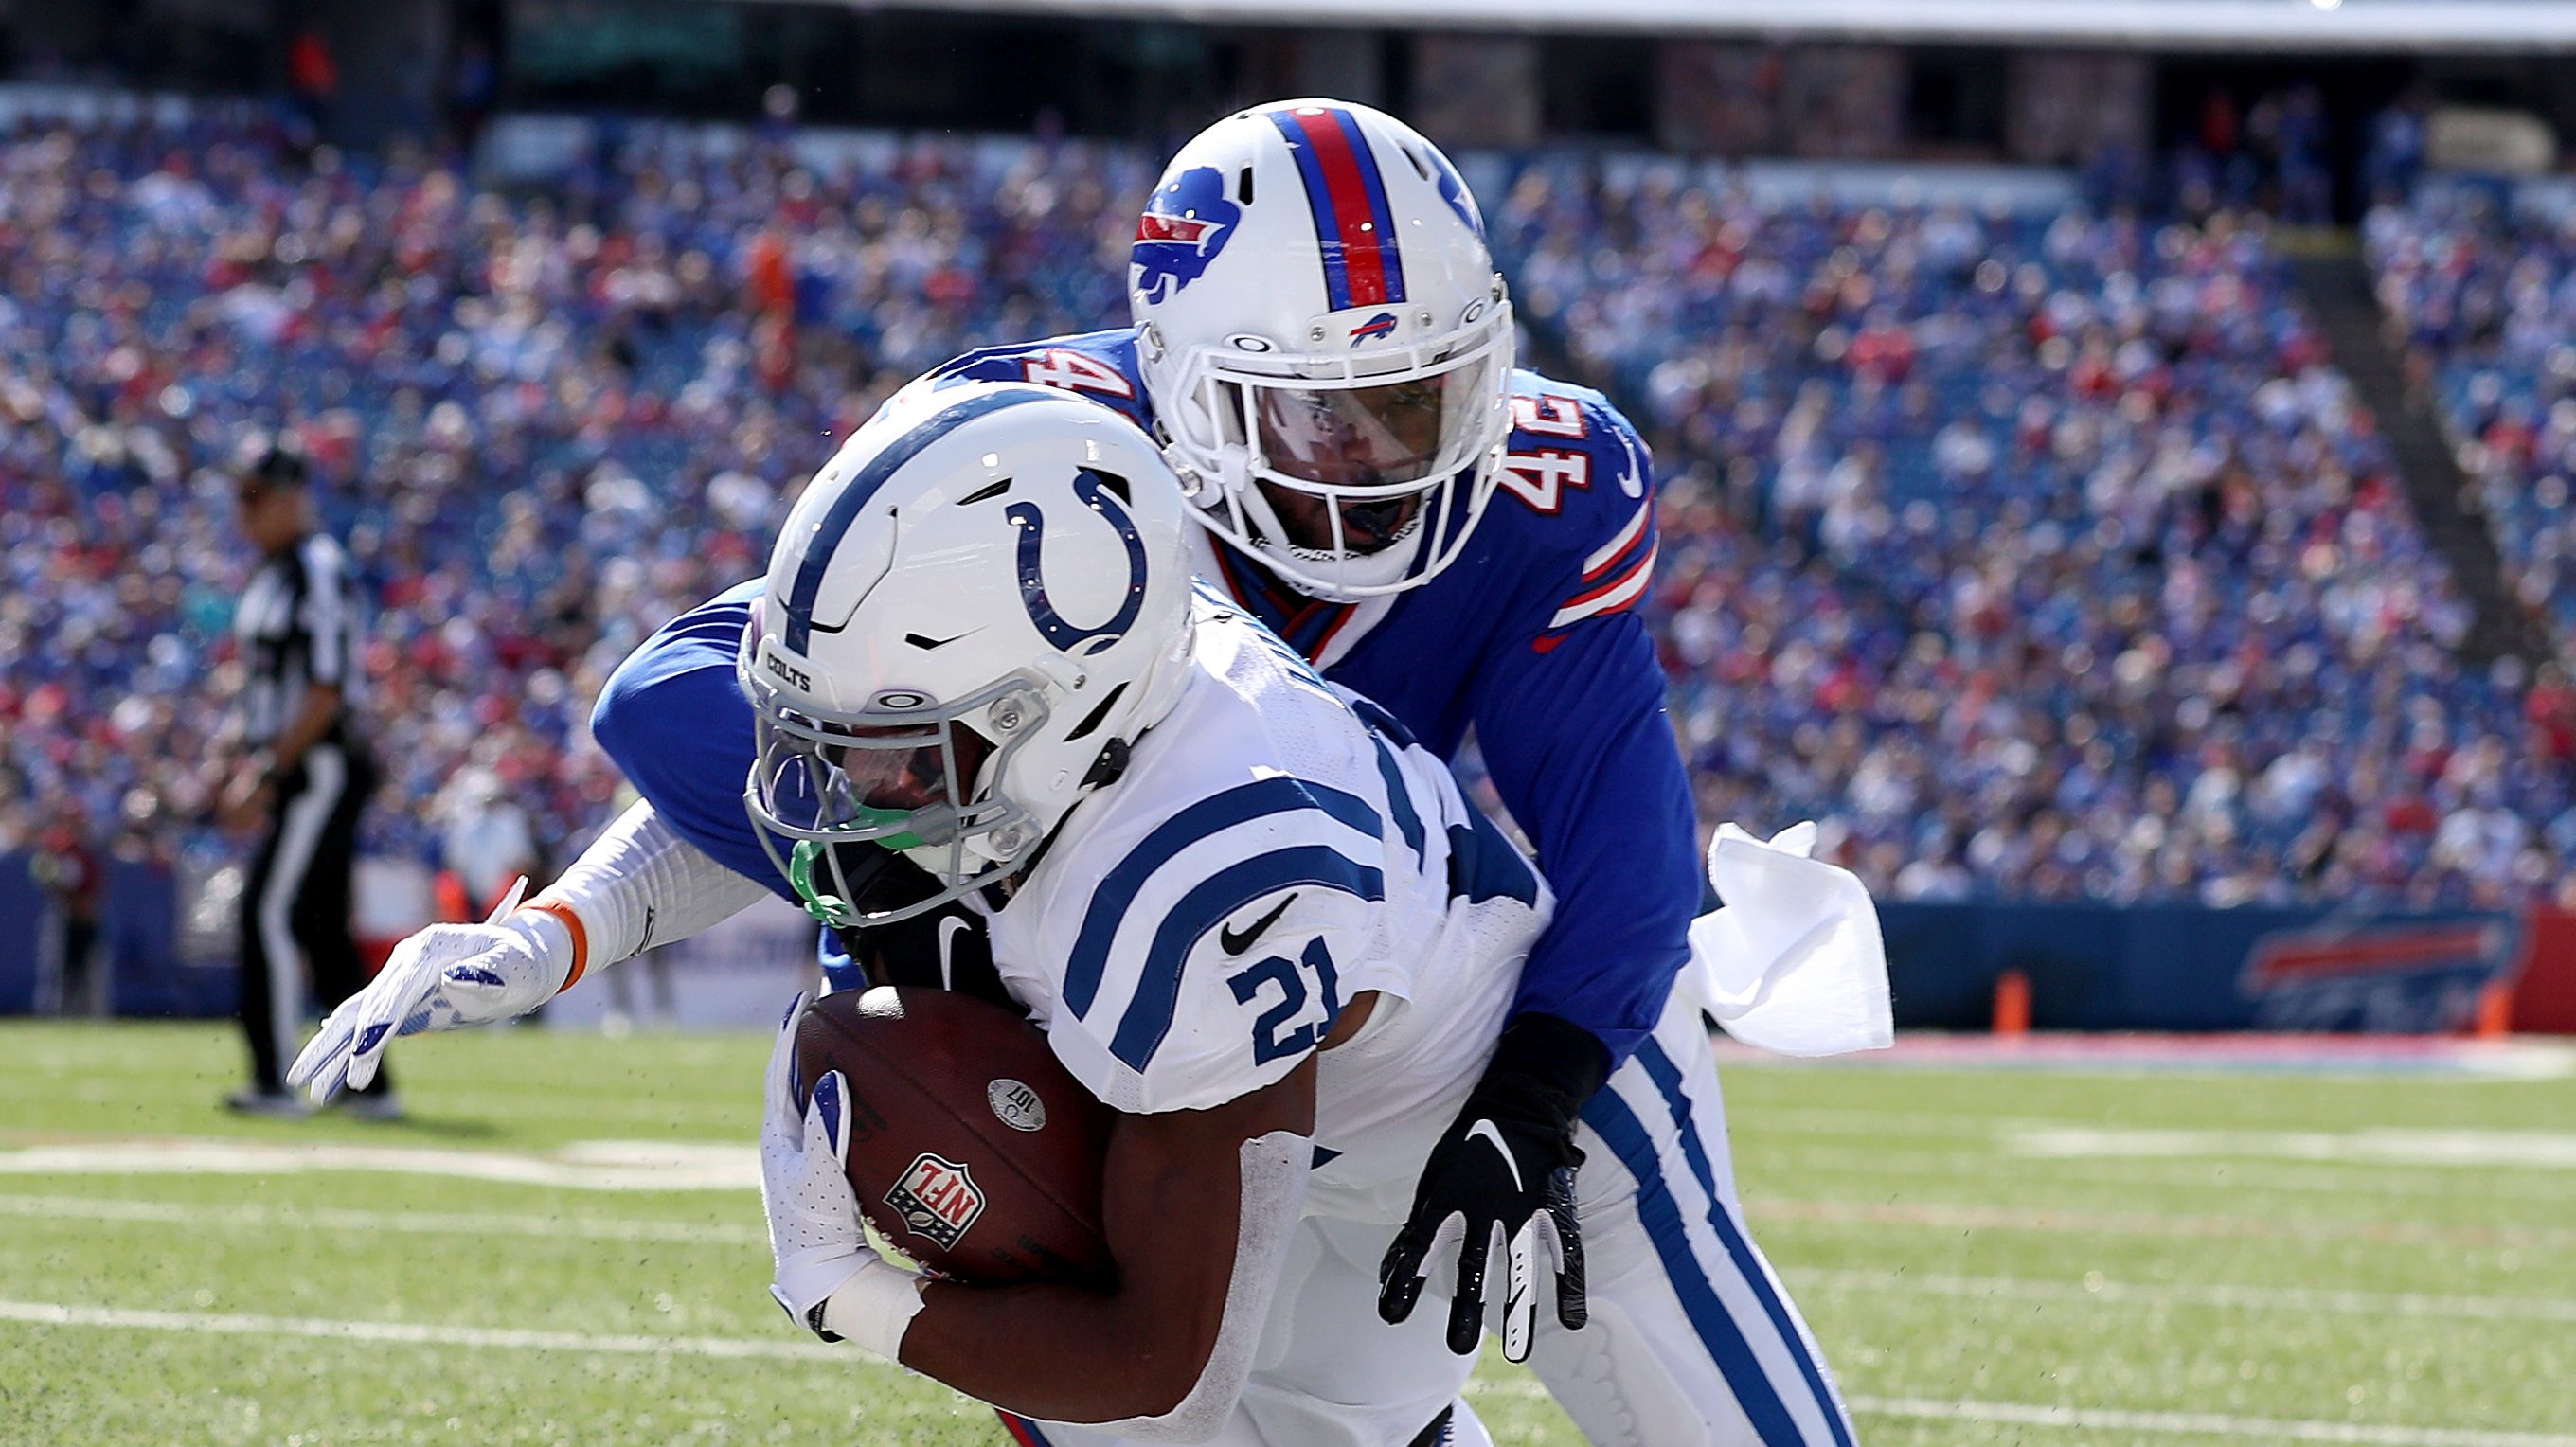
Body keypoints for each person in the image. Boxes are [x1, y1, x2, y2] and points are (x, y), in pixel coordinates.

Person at [294, 384, 1853, 1443]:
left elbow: (1155, 1364)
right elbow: (766, 785)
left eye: (894, 749)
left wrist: (848, 1295)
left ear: (1052, 715)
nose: (848, 789)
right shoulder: (1033, 694)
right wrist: (564, 930)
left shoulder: (1186, 888)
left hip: (1536, 1123)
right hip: (1281, 1117)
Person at [217, 431, 393, 1119]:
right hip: (295, 760)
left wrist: (264, 768)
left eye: (255, 497)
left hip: (317, 764)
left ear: (293, 499)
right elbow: (268, 689)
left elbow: (326, 690)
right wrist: (239, 754)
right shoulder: (271, 576)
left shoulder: (316, 568)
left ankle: (272, 1076)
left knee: (265, 908)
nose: (244, 512)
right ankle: (367, 1086)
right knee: (319, 922)